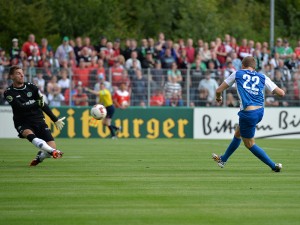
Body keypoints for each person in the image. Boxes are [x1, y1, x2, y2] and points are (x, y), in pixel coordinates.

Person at [212, 56, 285, 172]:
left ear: (242, 65)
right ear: (254, 67)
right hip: (260, 112)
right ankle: (223, 159)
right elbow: (281, 93)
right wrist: (275, 93)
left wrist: (218, 98)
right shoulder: (262, 76)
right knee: (238, 132)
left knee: (249, 144)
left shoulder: (237, 74)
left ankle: (273, 166)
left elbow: (218, 90)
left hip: (248, 113)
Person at [4, 66, 65, 166]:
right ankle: (54, 152)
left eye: (22, 73)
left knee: (51, 146)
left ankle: (40, 157)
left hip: (38, 119)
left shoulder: (32, 87)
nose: (22, 75)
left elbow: (42, 104)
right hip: (22, 121)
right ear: (12, 76)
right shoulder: (9, 92)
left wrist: (55, 119)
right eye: (18, 73)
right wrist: (36, 103)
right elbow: (19, 107)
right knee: (28, 133)